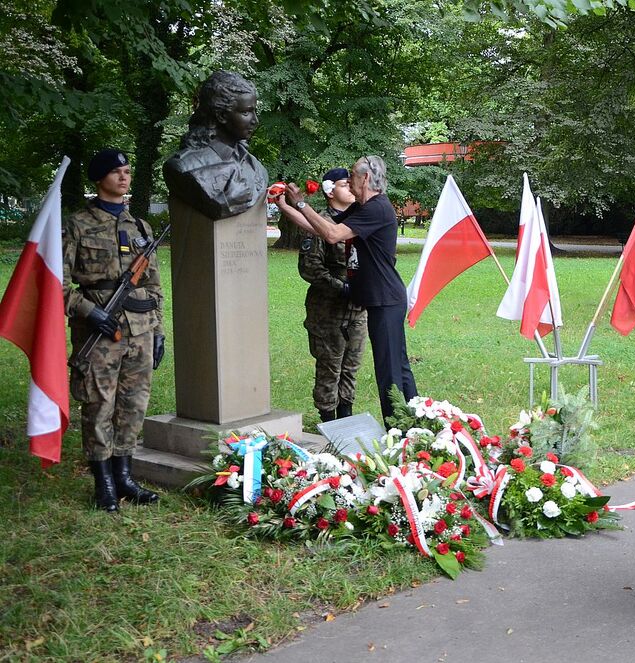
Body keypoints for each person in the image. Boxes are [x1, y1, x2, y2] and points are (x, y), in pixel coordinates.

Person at [278, 155, 417, 421]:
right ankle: (412, 422)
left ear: (365, 178)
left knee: (390, 372)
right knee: (396, 367)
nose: (349, 180)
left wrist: (302, 203)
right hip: (379, 301)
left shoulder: (377, 208)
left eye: (352, 175)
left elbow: (333, 235)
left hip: (385, 301)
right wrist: (286, 208)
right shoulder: (363, 208)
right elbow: (322, 229)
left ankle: (399, 427)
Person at [63, 149, 165, 512]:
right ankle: (103, 483)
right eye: (116, 172)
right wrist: (89, 312)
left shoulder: (140, 227)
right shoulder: (76, 224)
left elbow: (153, 285)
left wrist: (158, 330)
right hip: (99, 332)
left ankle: (124, 476)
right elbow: (55, 286)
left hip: (139, 329)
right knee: (98, 405)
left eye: (127, 171)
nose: (124, 177)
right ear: (99, 178)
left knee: (133, 405)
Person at [298, 167, 367, 422]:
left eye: (351, 183)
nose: (350, 187)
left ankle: (346, 418)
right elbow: (310, 267)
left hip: (358, 309)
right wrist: (342, 287)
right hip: (328, 310)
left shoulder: (359, 218)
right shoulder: (318, 222)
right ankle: (329, 421)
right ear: (329, 190)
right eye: (343, 184)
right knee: (329, 366)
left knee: (351, 366)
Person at [162, 70, 269, 220]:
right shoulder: (183, 167)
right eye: (246, 113)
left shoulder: (257, 168)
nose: (255, 121)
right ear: (221, 115)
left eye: (254, 111)